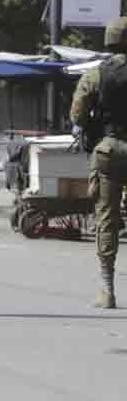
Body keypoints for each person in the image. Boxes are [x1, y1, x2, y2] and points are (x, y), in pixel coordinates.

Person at [70, 16, 127, 308]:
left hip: (108, 151)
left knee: (107, 218)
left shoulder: (95, 75)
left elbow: (77, 114)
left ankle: (107, 290)